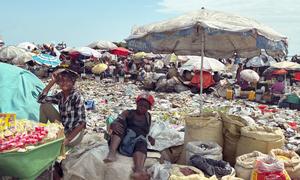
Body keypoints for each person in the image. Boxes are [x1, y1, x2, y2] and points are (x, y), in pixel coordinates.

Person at [104, 93, 155, 179]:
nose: (142, 107)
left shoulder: (148, 117)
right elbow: (115, 122)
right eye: (140, 104)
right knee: (120, 126)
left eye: (145, 106)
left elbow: (146, 132)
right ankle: (112, 153)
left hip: (136, 143)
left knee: (142, 142)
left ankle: (138, 170)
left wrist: (150, 138)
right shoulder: (128, 113)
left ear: (148, 108)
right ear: (137, 104)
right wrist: (114, 124)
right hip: (123, 139)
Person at [38, 69, 86, 147]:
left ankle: (62, 139)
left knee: (56, 145)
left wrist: (68, 139)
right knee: (45, 106)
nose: (64, 83)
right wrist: (52, 81)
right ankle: (39, 133)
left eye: (68, 81)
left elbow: (82, 123)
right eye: (61, 81)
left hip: (74, 134)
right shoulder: (60, 95)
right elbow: (41, 99)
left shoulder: (77, 96)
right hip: (63, 128)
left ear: (73, 82)